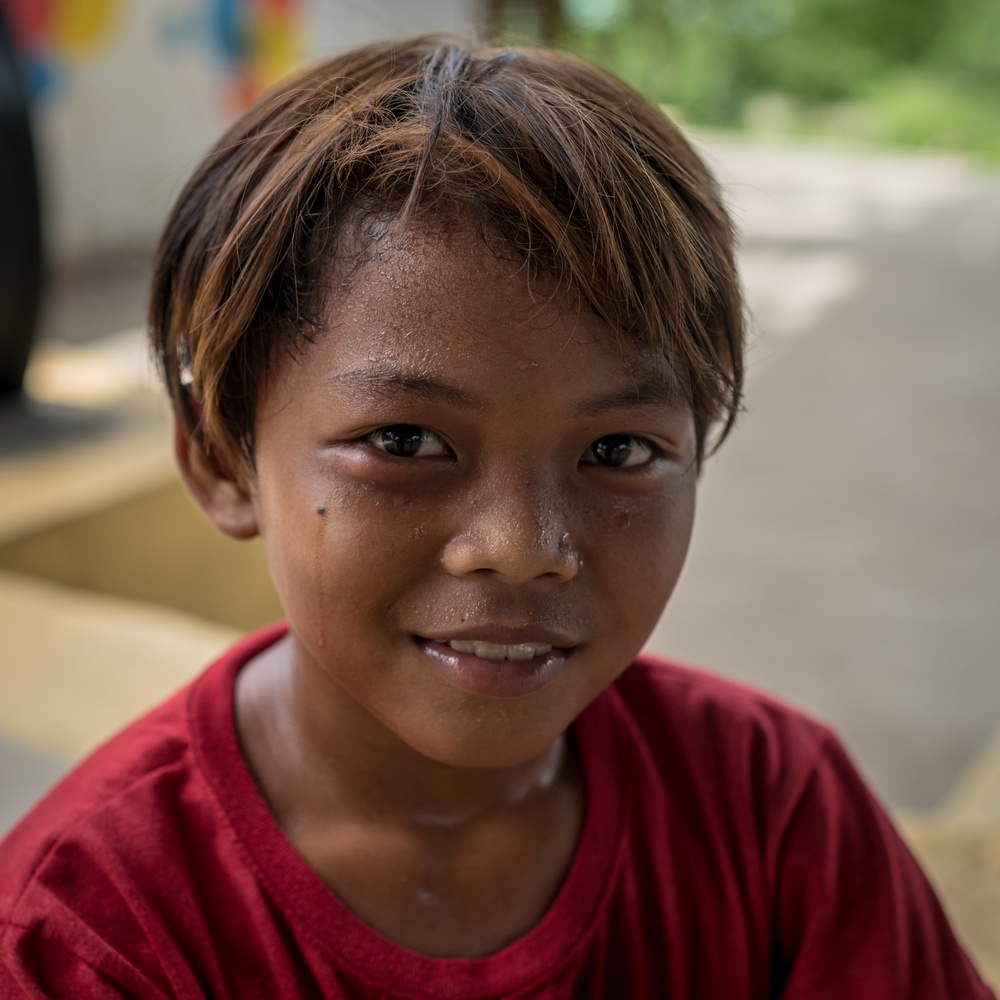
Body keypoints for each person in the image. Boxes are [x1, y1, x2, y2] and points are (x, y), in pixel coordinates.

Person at [0, 34, 993, 999]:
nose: (522, 547)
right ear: (223, 461)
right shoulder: (84, 935)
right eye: (403, 442)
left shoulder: (774, 810)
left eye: (618, 452)